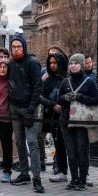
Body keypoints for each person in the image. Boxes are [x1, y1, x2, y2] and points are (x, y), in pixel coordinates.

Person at [8, 37, 44, 193]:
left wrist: (31, 109)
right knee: (19, 141)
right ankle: (24, 172)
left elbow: (37, 87)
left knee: (32, 143)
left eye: (18, 46)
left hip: (29, 108)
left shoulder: (32, 62)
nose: (15, 49)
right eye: (13, 47)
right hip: (14, 107)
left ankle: (37, 177)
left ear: (24, 47)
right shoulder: (10, 63)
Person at [58, 54, 98, 191]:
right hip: (66, 121)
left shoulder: (89, 81)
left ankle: (82, 180)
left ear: (81, 65)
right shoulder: (65, 82)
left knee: (82, 151)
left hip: (82, 122)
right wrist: (65, 97)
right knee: (71, 151)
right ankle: (73, 179)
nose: (73, 65)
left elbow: (96, 99)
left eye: (76, 63)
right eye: (71, 63)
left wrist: (79, 97)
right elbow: (59, 99)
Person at [40, 53, 68, 182]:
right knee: (58, 144)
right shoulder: (48, 80)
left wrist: (62, 106)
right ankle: (61, 170)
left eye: (55, 63)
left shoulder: (67, 78)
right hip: (52, 115)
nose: (52, 65)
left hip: (66, 116)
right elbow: (41, 97)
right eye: (50, 63)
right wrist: (53, 105)